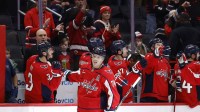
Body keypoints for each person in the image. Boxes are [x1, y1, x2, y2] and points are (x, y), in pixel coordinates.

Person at [65, 45, 120, 112]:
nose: (95, 59)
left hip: (96, 110)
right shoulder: (85, 69)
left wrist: (111, 108)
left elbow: (113, 93)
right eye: (94, 56)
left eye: (98, 57)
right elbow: (75, 75)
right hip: (81, 108)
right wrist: (66, 74)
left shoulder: (106, 73)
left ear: (103, 59)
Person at [134, 38, 171, 102]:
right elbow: (148, 64)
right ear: (152, 48)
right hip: (150, 96)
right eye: (158, 45)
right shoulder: (148, 56)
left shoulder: (165, 61)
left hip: (163, 97)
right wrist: (156, 55)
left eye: (161, 45)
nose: (161, 46)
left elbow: (168, 78)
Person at [65, 0, 94, 70]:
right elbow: (77, 21)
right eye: (82, 16)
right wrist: (83, 9)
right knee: (76, 74)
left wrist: (90, 30)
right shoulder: (71, 25)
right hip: (76, 54)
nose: (83, 18)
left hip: (85, 53)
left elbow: (90, 32)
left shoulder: (82, 26)